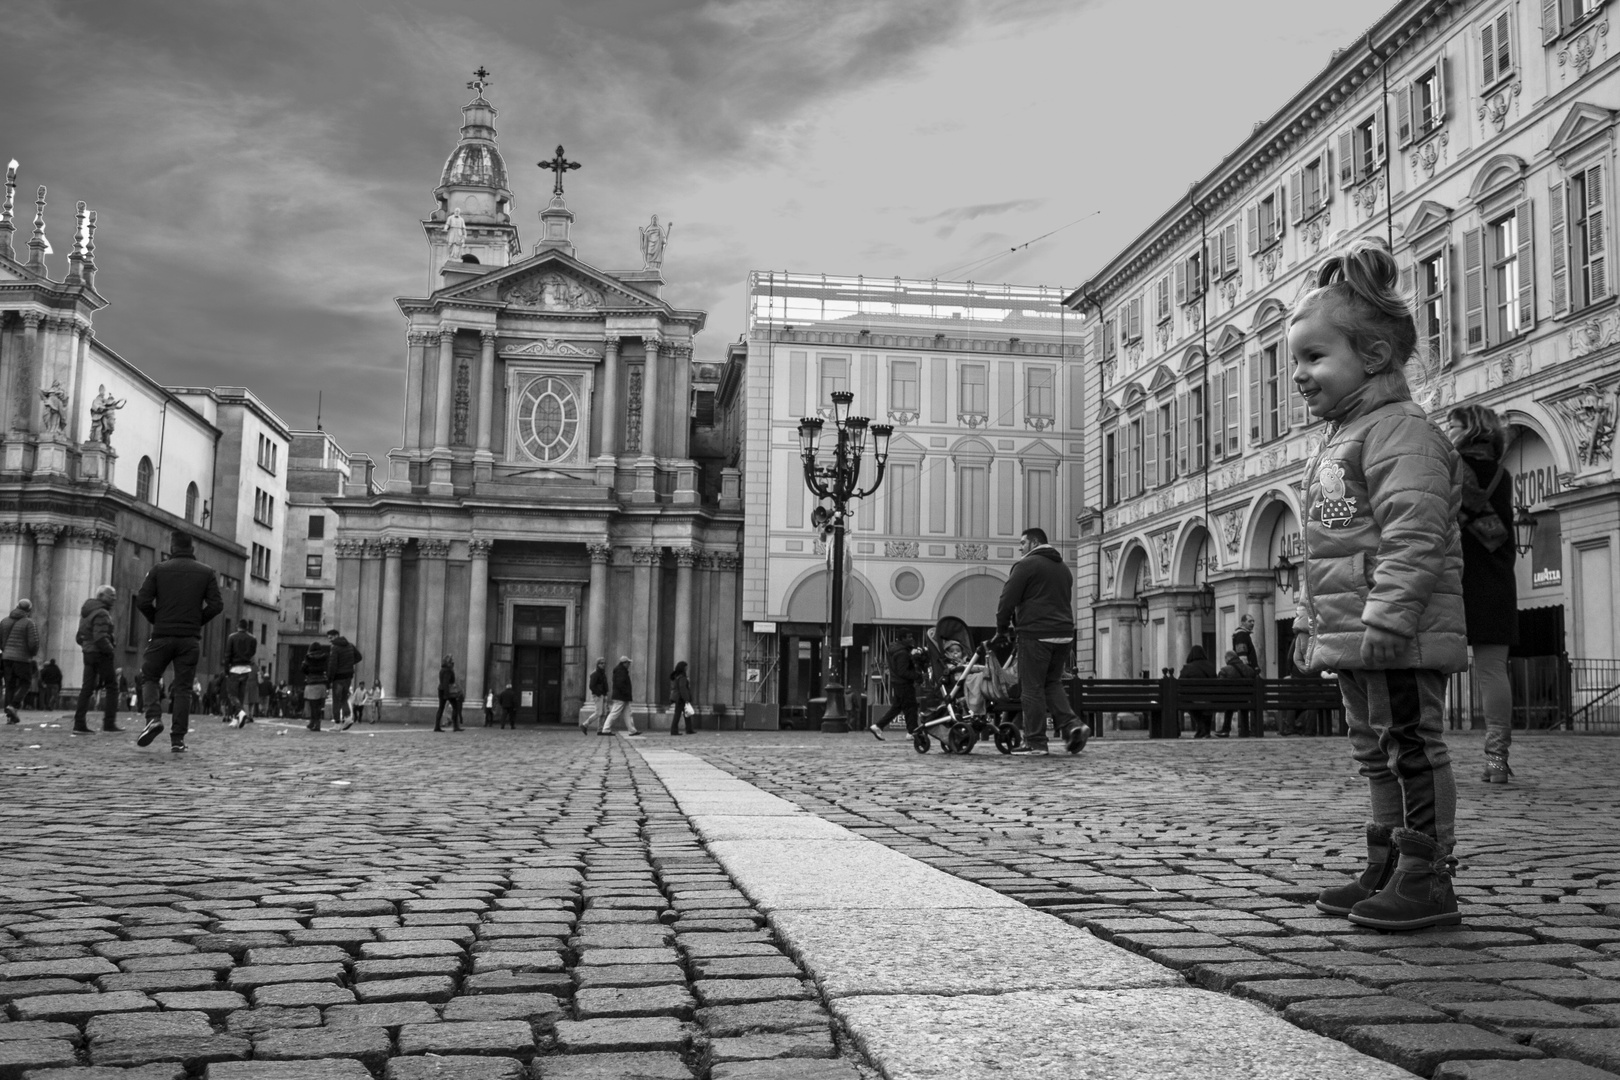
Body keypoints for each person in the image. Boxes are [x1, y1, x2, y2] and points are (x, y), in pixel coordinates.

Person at [1288, 240, 1467, 931]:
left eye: (1313, 357)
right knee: (1375, 749)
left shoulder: (1400, 432)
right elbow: (1325, 548)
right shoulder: (1347, 435)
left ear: (1374, 357)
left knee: (1413, 749)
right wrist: (1311, 620)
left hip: (1397, 632)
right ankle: (1388, 862)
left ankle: (1428, 875)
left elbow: (1413, 534)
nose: (1299, 375)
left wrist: (1390, 613)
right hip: (1357, 631)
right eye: (1295, 361)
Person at [1448, 403, 1519, 784]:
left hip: (1454, 577)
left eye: (1453, 424)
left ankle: (1426, 753)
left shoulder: (1451, 467)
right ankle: (1496, 759)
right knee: (1493, 671)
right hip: (1496, 579)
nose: (1448, 431)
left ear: (1471, 428)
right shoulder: (1503, 474)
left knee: (1436, 664)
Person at [996, 527, 1085, 756]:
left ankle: (1035, 742)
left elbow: (1007, 599)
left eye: (1023, 543)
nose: (1020, 548)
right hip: (1064, 634)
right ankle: (1072, 725)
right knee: (1051, 683)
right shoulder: (1063, 568)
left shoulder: (1026, 566)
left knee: (1031, 687)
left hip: (1036, 634)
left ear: (1034, 543)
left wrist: (1002, 628)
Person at [133, 530, 224, 752]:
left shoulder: (158, 570)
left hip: (162, 635)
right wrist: (195, 622)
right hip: (189, 639)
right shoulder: (206, 572)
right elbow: (216, 605)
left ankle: (153, 717)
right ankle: (178, 739)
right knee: (183, 688)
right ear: (192, 548)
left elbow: (143, 601)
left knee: (150, 676)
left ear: (171, 547)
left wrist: (159, 619)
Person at [72, 585, 121, 734]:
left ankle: (79, 723)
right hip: (101, 653)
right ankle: (109, 723)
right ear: (101, 596)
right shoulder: (101, 613)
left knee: (87, 688)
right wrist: (110, 650)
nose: (114, 598)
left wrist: (86, 646)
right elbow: (100, 637)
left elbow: (79, 636)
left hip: (89, 653)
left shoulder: (87, 612)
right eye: (110, 595)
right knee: (112, 687)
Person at [867, 632, 920, 740]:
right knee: (911, 707)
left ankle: (878, 726)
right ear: (902, 638)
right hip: (904, 683)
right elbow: (903, 671)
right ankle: (912, 731)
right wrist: (917, 675)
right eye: (909, 637)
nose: (911, 639)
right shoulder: (902, 653)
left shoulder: (894, 650)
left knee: (897, 707)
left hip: (897, 683)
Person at [1, 598, 40, 723]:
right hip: (22, 658)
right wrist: (32, 654)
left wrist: (5, 650)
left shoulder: (4, 621)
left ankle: (10, 717)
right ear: (29, 610)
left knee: (10, 685)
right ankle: (14, 705)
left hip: (6, 658)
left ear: (17, 606)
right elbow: (33, 643)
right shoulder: (29, 623)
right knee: (25, 683)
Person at [325, 628, 362, 730]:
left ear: (336, 636)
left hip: (338, 678)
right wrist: (348, 664)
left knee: (336, 700)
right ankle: (348, 717)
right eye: (328, 638)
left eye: (331, 637)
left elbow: (332, 665)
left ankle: (337, 723)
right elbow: (359, 657)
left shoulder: (335, 647)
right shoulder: (350, 645)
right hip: (348, 676)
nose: (330, 640)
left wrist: (329, 679)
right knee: (343, 698)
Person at [1179, 645, 1217, 738]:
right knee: (1206, 704)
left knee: (1187, 701)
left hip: (1193, 699)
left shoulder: (1187, 668)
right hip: (1211, 698)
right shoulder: (1210, 666)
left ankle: (1202, 728)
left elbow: (1179, 683)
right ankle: (1204, 730)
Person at [223, 619, 257, 726]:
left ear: (238, 626)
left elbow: (228, 654)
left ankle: (241, 712)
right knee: (240, 694)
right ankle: (236, 718)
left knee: (232, 694)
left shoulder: (232, 637)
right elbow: (252, 652)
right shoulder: (252, 638)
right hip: (246, 668)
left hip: (234, 668)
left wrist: (226, 668)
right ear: (247, 627)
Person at [1214, 650, 1250, 738]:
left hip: (1230, 700)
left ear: (1228, 658)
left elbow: (1219, 686)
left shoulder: (1225, 670)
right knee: (1243, 702)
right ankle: (1245, 730)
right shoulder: (1249, 669)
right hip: (1246, 699)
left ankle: (1226, 729)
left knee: (1229, 702)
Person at [602, 656, 640, 736]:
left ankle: (632, 730)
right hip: (621, 696)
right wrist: (626, 692)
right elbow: (620, 684)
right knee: (615, 713)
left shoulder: (621, 670)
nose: (629, 664)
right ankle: (606, 729)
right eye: (628, 663)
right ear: (624, 663)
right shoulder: (621, 671)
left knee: (628, 714)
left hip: (622, 696)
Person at [302, 636, 332, 730]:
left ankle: (314, 722)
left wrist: (309, 673)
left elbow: (303, 668)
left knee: (312, 705)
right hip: (322, 683)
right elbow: (328, 668)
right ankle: (316, 723)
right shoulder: (324, 657)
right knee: (319, 706)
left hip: (311, 683)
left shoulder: (308, 657)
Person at [434, 655, 463, 732]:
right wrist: (446, 695)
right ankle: (455, 726)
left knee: (441, 708)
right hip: (448, 691)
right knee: (455, 707)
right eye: (451, 661)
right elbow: (446, 682)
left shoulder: (442, 670)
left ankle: (437, 726)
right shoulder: (448, 670)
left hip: (441, 689)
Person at [669, 660, 694, 736]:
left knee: (686, 714)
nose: (687, 669)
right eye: (686, 667)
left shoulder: (677, 676)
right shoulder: (682, 677)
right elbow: (683, 688)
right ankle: (674, 730)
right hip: (681, 698)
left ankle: (689, 729)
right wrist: (686, 699)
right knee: (678, 714)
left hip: (679, 697)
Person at [585, 657, 609, 735]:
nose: (603, 665)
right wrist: (599, 693)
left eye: (604, 663)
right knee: (599, 713)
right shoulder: (594, 674)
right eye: (601, 663)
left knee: (604, 713)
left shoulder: (603, 673)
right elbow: (592, 686)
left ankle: (600, 730)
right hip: (598, 695)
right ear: (598, 664)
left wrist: (605, 694)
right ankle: (585, 724)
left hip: (603, 695)